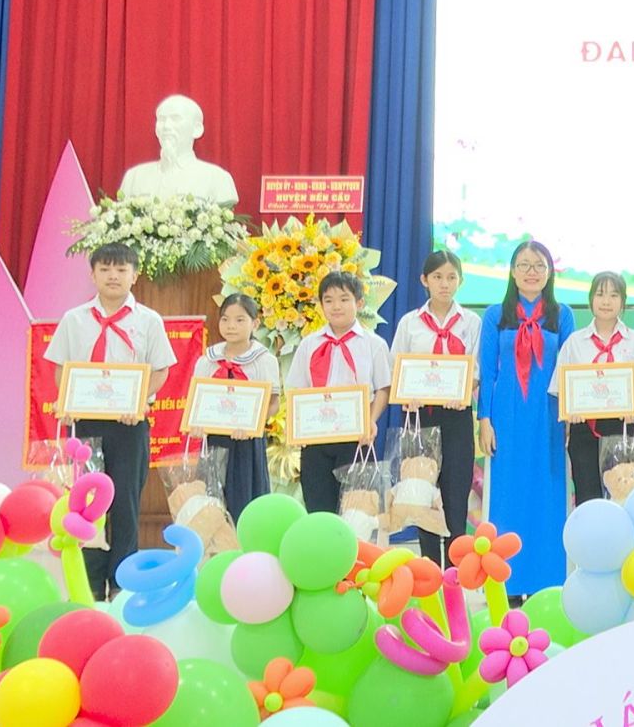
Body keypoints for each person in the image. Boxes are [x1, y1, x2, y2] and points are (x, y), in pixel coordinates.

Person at [45, 243, 175, 600]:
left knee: (125, 504)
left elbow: (161, 370)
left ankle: (122, 584)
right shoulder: (74, 319)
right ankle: (90, 584)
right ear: (93, 275)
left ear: (135, 275)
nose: (113, 276)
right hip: (85, 424)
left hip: (129, 425)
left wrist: (139, 401)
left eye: (121, 270)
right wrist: (67, 401)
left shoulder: (149, 320)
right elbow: (61, 368)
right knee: (87, 505)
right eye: (105, 269)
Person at [477, 240, 576, 596]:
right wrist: (484, 420)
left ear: (549, 273)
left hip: (548, 416)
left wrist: (568, 416)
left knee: (548, 493)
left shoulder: (562, 315)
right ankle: (506, 582)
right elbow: (487, 371)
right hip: (506, 415)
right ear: (512, 271)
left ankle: (547, 582)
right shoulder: (495, 315)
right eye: (524, 265)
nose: (531, 272)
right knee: (506, 495)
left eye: (539, 265)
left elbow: (569, 369)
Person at [390, 250, 482, 566]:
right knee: (422, 493)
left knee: (456, 493)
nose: (445, 284)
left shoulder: (471, 322)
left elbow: (477, 368)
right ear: (424, 280)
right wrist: (407, 393)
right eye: (438, 277)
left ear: (460, 281)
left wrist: (465, 388)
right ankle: (429, 567)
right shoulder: (410, 323)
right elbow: (396, 366)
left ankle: (456, 570)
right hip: (420, 417)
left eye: (451, 277)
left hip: (457, 416)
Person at [286, 271, 391, 514]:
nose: (336, 306)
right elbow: (297, 390)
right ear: (321, 305)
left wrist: (370, 420)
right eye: (329, 300)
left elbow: (383, 388)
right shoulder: (309, 344)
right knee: (319, 509)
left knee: (357, 512)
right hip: (315, 440)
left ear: (359, 303)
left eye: (344, 299)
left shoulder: (374, 344)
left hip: (356, 438)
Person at [550, 271, 634, 506]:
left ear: (623, 301)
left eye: (613, 295)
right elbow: (562, 387)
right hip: (584, 428)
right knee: (588, 496)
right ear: (591, 299)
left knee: (625, 496)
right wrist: (571, 410)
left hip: (624, 428)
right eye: (600, 294)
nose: (606, 301)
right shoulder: (575, 342)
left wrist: (632, 404)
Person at [190, 293, 280, 519]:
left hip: (247, 443)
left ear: (255, 323)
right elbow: (197, 401)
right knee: (212, 503)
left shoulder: (264, 360)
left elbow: (273, 403)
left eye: (240, 320)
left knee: (245, 503)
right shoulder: (207, 360)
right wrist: (197, 424)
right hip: (214, 441)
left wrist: (253, 425)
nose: (231, 326)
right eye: (225, 319)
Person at [118, 94, 240, 204]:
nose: (166, 126)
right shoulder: (134, 177)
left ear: (197, 129)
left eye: (175, 119)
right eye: (161, 119)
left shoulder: (217, 178)